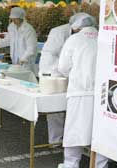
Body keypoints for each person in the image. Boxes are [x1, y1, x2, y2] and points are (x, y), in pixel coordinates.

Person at [57, 13, 108, 168]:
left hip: (79, 91)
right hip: (103, 94)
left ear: (76, 26)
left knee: (74, 131)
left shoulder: (74, 39)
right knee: (100, 133)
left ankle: (71, 164)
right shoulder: (104, 38)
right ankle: (100, 165)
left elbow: (63, 67)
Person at [39, 13, 87, 145]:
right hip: (51, 71)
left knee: (69, 104)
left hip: (67, 71)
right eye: (81, 29)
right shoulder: (58, 32)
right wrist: (64, 68)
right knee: (55, 107)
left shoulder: (78, 35)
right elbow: (51, 54)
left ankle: (70, 137)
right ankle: (55, 140)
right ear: (75, 26)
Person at [0, 7, 37, 72]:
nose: (14, 21)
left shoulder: (28, 29)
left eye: (15, 19)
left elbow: (31, 47)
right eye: (12, 19)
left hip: (26, 62)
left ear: (21, 18)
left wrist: (24, 57)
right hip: (15, 59)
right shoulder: (11, 27)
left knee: (25, 77)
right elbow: (9, 39)